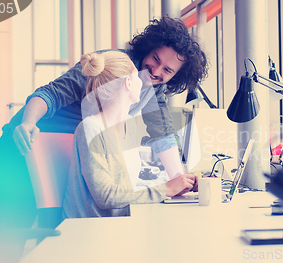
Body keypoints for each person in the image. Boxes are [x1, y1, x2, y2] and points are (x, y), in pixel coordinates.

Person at [0, 16, 208, 229]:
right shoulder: (112, 68)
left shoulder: (153, 86)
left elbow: (162, 133)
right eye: (155, 59)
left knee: (49, 224)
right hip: (23, 143)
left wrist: (180, 180)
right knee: (13, 231)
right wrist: (29, 122)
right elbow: (52, 93)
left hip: (60, 152)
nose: (156, 71)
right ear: (148, 48)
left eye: (167, 70)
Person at [63, 51, 192, 218]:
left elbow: (128, 184)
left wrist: (177, 185)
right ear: (129, 83)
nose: (144, 80)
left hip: (119, 222)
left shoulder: (130, 126)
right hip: (90, 228)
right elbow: (106, 196)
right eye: (137, 76)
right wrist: (165, 189)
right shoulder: (90, 128)